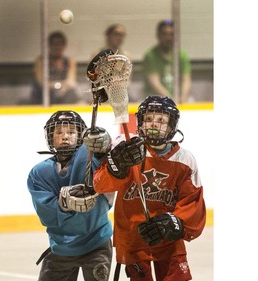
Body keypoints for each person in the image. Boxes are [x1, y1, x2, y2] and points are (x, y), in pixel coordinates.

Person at [93, 96, 206, 280]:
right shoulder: (127, 150)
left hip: (169, 243)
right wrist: (118, 165)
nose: (153, 124)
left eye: (161, 120)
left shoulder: (185, 160)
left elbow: (193, 203)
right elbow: (100, 184)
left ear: (172, 125)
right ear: (140, 122)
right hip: (134, 241)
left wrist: (175, 222)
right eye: (148, 119)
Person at [27, 110, 115, 281]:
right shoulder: (39, 173)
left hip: (96, 243)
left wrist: (104, 146)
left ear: (81, 136)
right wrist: (64, 204)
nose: (65, 137)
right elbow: (47, 214)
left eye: (71, 132)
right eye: (59, 132)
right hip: (62, 247)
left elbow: (113, 168)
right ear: (50, 137)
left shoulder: (94, 160)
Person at [143, 20, 192, 103]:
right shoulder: (151, 55)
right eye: (164, 34)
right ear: (158, 35)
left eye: (171, 34)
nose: (168, 37)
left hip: (179, 98)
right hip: (156, 97)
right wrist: (170, 100)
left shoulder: (181, 54)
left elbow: (186, 80)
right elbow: (155, 82)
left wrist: (183, 98)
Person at [31, 31, 80, 105]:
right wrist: (59, 85)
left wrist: (60, 86)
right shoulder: (41, 61)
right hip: (43, 98)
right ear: (49, 46)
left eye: (61, 45)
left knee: (75, 97)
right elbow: (42, 83)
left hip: (64, 96)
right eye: (55, 44)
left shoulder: (69, 61)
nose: (58, 47)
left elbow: (71, 82)